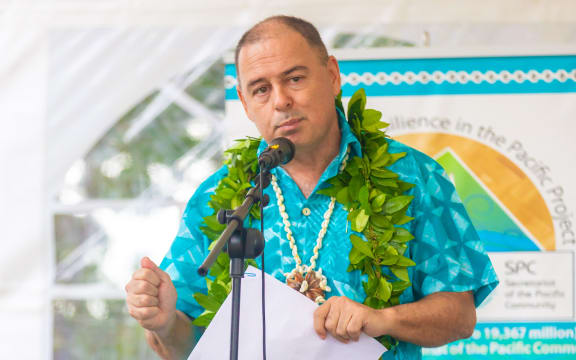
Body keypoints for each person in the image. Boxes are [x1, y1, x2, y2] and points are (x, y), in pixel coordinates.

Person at [125, 15, 499, 359]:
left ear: (333, 75)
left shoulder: (415, 177)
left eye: (295, 79)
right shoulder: (217, 198)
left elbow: (459, 315)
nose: (281, 101)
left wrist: (381, 319)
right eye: (260, 89)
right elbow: (185, 346)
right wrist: (164, 323)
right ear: (244, 102)